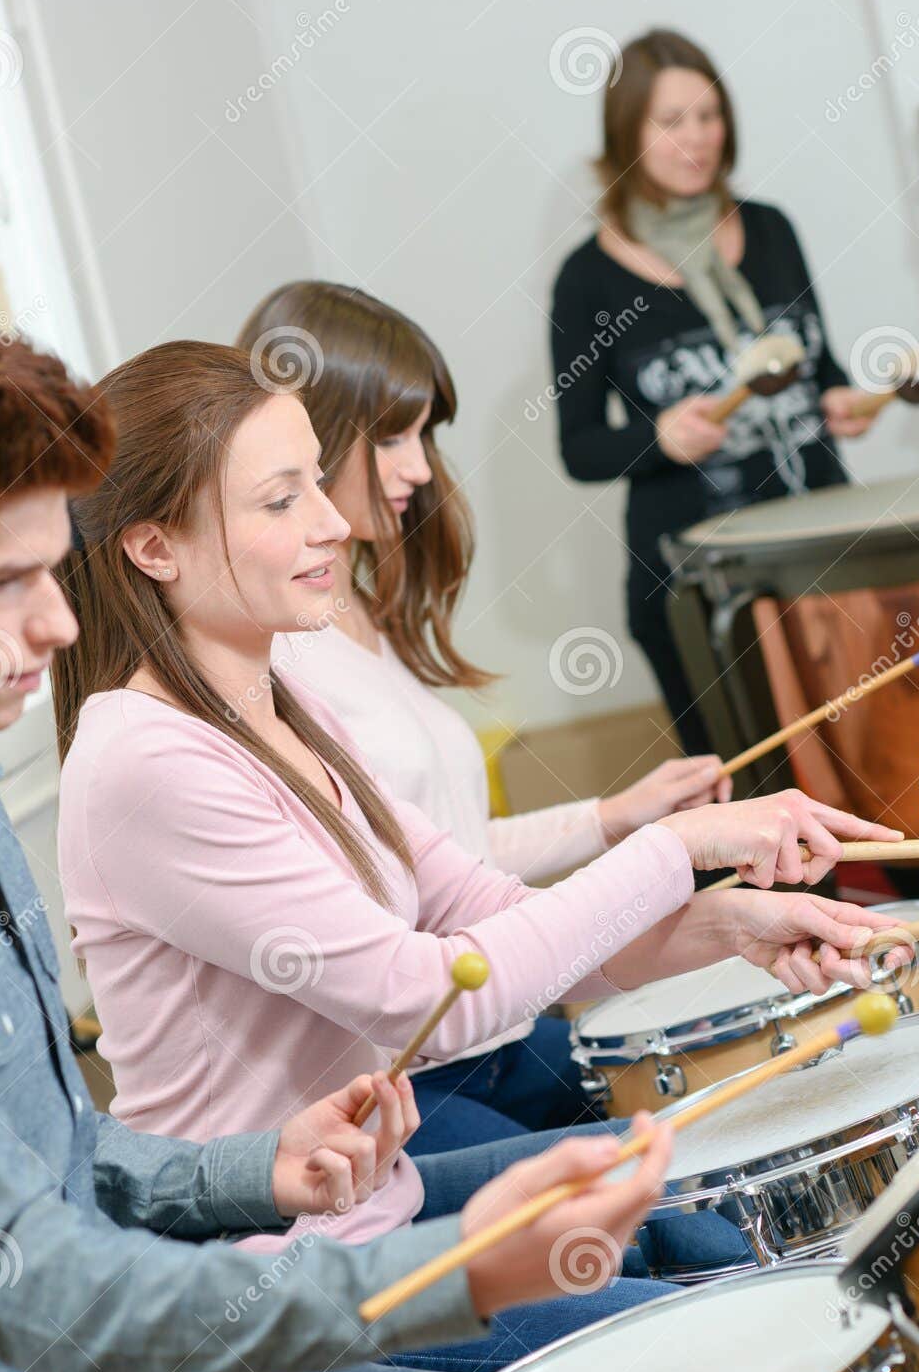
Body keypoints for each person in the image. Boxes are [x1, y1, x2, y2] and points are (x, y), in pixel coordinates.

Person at [0, 303, 676, 1372]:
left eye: (52, 571)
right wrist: (455, 1269)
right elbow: (34, 1285)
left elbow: (63, 1153)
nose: (52, 624)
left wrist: (259, 1169)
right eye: (2, 583)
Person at [52, 336, 906, 1364]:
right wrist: (674, 843)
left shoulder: (281, 697)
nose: (332, 523)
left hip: (380, 1207)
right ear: (155, 547)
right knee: (701, 1339)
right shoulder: (145, 758)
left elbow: (483, 909)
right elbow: (426, 993)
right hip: (272, 1283)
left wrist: (734, 926)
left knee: (707, 1227)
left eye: (319, 487)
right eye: (281, 502)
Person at [237, 279, 733, 1156]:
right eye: (391, 436)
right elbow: (393, 914)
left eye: (424, 434)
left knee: (711, 1129)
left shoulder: (356, 611)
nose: (421, 467)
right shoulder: (276, 659)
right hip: (407, 1073)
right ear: (306, 439)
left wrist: (614, 817)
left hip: (487, 1042)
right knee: (668, 1209)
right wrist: (661, 859)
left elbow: (439, 857)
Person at [550, 28, 871, 753]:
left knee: (877, 763)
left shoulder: (771, 229)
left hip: (822, 553)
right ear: (625, 132)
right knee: (758, 797)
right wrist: (658, 438)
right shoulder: (587, 279)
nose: (696, 138)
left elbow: (822, 368)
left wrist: (842, 400)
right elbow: (579, 448)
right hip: (697, 589)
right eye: (671, 122)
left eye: (709, 116)